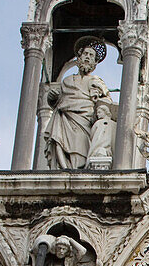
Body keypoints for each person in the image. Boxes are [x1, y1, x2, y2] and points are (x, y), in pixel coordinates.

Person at [43, 39, 112, 169]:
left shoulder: (97, 82)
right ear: (79, 58)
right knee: (63, 145)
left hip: (85, 121)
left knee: (81, 149)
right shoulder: (67, 81)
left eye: (91, 56)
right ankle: (65, 167)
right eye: (85, 54)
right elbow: (58, 102)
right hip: (66, 120)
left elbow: (106, 103)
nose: (87, 57)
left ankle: (77, 169)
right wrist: (52, 98)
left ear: (95, 62)